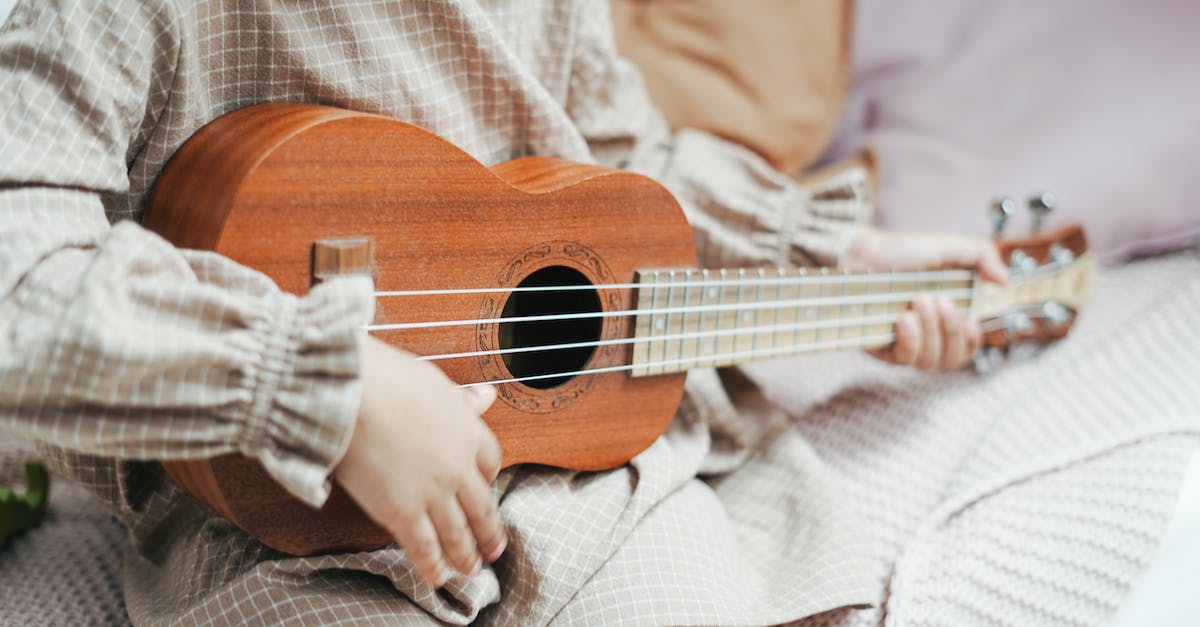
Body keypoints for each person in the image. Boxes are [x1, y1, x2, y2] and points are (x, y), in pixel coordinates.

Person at [0, 1, 1005, 624]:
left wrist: (837, 257)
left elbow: (622, 164)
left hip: (585, 473)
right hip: (278, 522)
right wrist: (323, 384)